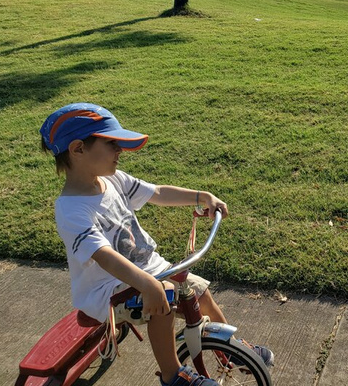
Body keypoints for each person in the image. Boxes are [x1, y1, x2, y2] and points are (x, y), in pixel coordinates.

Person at [39, 102, 273, 386]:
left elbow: (159, 193)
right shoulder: (72, 210)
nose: (119, 151)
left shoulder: (112, 181)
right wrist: (149, 285)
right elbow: (105, 257)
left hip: (149, 269)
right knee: (167, 293)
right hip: (107, 291)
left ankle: (231, 353)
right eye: (111, 143)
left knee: (197, 289)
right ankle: (172, 374)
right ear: (78, 149)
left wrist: (202, 196)